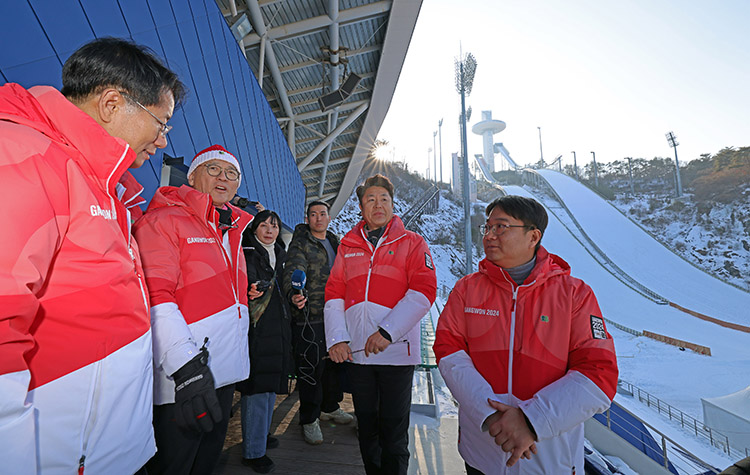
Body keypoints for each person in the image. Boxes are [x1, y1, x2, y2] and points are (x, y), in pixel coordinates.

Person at [0, 37, 183, 474]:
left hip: (104, 447)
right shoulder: (27, 156)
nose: (161, 142)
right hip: (56, 455)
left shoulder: (107, 187)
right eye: (161, 124)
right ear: (112, 103)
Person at [433, 195, 619, 474]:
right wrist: (494, 416)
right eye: (487, 227)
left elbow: (599, 374)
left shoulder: (574, 295)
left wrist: (532, 421)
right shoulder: (466, 289)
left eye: (501, 227)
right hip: (481, 451)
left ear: (533, 236)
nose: (489, 236)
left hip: (548, 458)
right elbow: (448, 351)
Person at [133, 145, 253, 474]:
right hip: (184, 375)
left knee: (205, 463)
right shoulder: (163, 220)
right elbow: (156, 296)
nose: (223, 178)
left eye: (231, 174)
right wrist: (186, 367)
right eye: (213, 169)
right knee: (174, 463)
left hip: (223, 372)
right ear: (192, 175)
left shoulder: (232, 229)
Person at [325, 174, 437, 475]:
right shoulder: (347, 246)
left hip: (397, 353)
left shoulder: (412, 242)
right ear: (362, 207)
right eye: (370, 199)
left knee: (394, 432)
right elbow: (334, 292)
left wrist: (387, 331)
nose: (378, 204)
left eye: (383, 199)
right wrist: (336, 339)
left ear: (392, 203)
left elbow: (424, 290)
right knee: (367, 428)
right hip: (359, 355)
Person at [282, 200, 353, 446]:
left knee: (334, 364)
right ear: (308, 218)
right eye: (313, 214)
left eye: (322, 214)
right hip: (309, 317)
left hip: (335, 316)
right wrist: (294, 293)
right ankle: (309, 418)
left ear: (329, 217)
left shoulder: (336, 242)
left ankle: (330, 407)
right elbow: (293, 269)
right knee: (310, 370)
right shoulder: (301, 242)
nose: (318, 218)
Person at [237, 209, 294, 473]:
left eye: (274, 226)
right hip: (257, 329)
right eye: (264, 225)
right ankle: (253, 450)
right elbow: (241, 283)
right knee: (257, 388)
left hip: (277, 327)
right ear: (255, 228)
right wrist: (249, 289)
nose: (269, 230)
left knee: (269, 386)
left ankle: (260, 435)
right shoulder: (246, 253)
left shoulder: (280, 255)